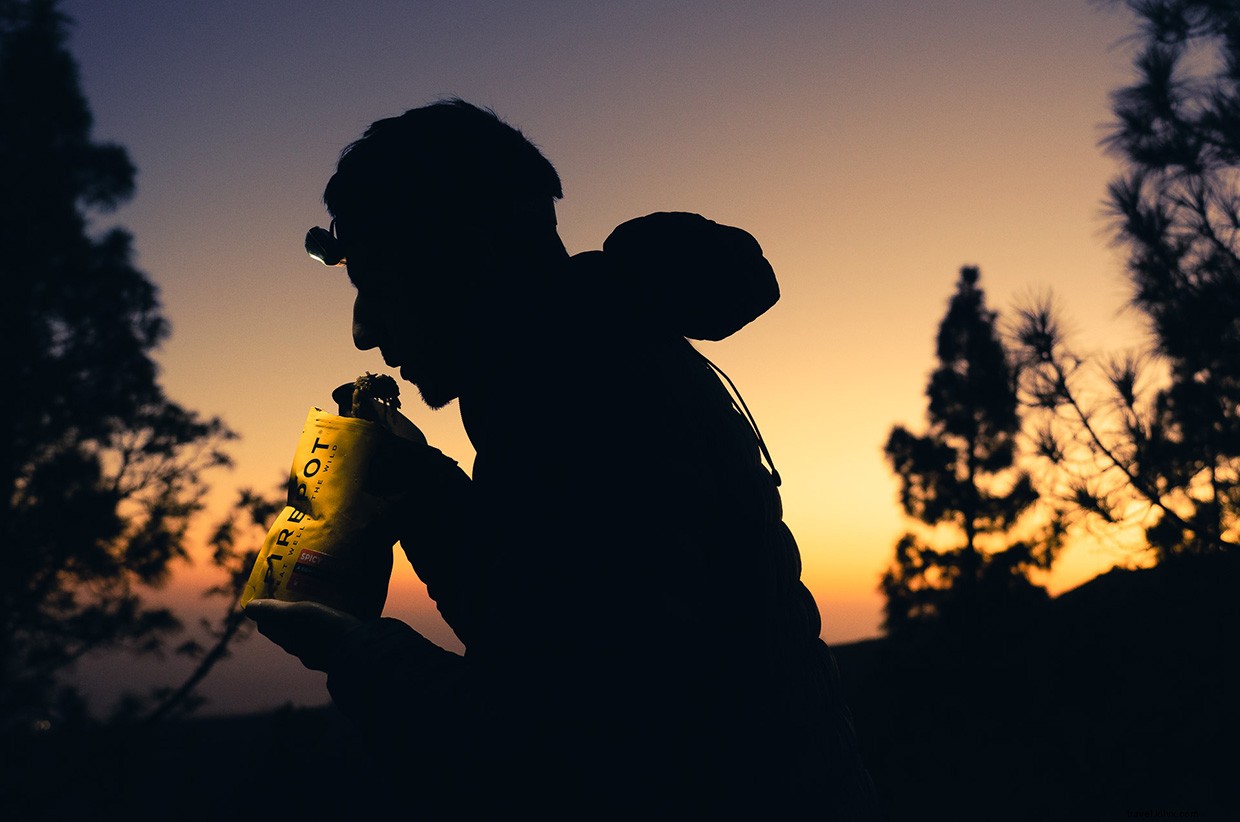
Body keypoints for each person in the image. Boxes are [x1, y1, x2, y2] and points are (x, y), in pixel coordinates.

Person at [246, 98, 882, 820]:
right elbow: (551, 619)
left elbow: (562, 758)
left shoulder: (584, 408)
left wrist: (357, 655)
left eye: (375, 285)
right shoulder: (577, 371)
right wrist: (426, 494)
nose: (363, 333)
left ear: (457, 260)